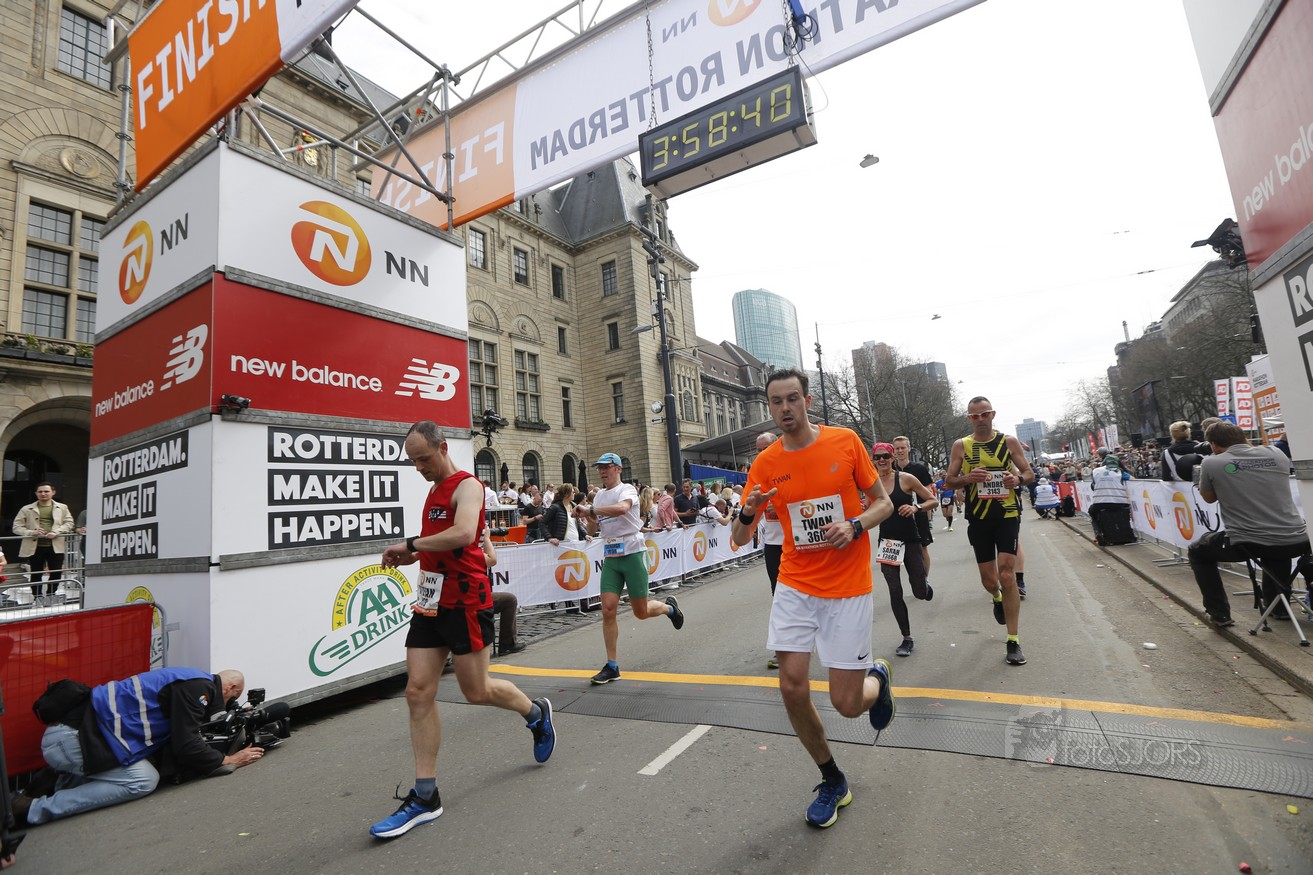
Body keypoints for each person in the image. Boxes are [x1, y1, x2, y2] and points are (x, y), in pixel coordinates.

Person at [371, 420, 555, 840]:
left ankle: (535, 713)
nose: (418, 467)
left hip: (466, 602)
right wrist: (416, 558)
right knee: (417, 691)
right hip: (430, 601)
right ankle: (425, 796)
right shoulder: (433, 489)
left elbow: (463, 534)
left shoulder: (467, 485)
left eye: (423, 458)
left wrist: (411, 545)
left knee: (477, 690)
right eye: (412, 461)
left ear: (442, 448)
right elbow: (442, 544)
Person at [731, 369, 896, 829]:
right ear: (769, 407)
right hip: (795, 583)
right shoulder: (765, 463)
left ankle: (878, 680)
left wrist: (855, 525)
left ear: (807, 401)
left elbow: (882, 502)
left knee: (847, 704)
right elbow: (738, 537)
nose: (785, 408)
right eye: (776, 401)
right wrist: (748, 509)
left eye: (792, 399)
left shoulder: (845, 442)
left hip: (847, 588)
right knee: (791, 686)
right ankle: (832, 778)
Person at [13, 668, 263, 826]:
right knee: (143, 779)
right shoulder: (200, 689)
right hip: (71, 740)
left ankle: (50, 784)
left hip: (70, 736)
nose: (229, 702)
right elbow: (186, 743)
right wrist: (226, 760)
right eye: (233, 697)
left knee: (131, 768)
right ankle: (34, 810)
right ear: (230, 687)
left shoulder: (188, 677)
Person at [1188, 421, 1310, 627]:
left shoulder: (1211, 463)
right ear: (1244, 438)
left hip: (1247, 542)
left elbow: (1208, 498)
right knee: (1277, 548)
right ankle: (1278, 608)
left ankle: (1219, 613)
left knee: (1197, 551)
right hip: (1297, 539)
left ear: (1214, 445)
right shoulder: (1276, 454)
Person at [944, 396, 1034, 667]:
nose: (980, 419)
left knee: (1006, 574)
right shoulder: (961, 445)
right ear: (969, 418)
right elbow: (949, 480)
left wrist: (1017, 479)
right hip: (979, 518)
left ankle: (1013, 640)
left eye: (984, 414)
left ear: (993, 414)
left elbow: (1029, 473)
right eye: (975, 416)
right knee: (989, 581)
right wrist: (967, 479)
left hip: (1007, 514)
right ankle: (996, 598)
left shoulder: (1008, 442)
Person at [580, 453, 684, 684]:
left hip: (633, 553)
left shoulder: (626, 489)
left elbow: (621, 509)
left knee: (641, 612)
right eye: (599, 468)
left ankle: (669, 609)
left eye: (607, 467)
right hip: (611, 556)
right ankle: (612, 666)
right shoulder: (599, 496)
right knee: (608, 610)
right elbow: (594, 525)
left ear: (618, 469)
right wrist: (587, 521)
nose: (602, 471)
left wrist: (592, 511)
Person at [871, 443, 936, 658]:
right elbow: (866, 509)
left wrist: (916, 507)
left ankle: (924, 587)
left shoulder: (906, 479)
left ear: (892, 458)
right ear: (873, 460)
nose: (882, 460)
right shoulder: (870, 483)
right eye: (877, 457)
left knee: (919, 592)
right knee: (894, 590)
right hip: (888, 542)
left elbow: (932, 500)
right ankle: (906, 637)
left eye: (885, 456)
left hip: (910, 540)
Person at [754, 432, 786, 670]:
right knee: (779, 596)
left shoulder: (791, 467)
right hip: (773, 544)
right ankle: (782, 648)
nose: (762, 453)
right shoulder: (757, 475)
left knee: (810, 594)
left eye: (766, 448)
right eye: (758, 450)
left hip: (798, 543)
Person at [12, 482, 75, 602]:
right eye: (40, 491)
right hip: (35, 547)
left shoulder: (62, 507)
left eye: (46, 491)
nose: (43, 494)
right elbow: (16, 527)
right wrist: (32, 532)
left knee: (56, 572)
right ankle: (38, 598)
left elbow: (69, 523)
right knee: (36, 573)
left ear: (53, 492)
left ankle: (51, 595)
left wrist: (56, 532)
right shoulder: (26, 509)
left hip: (55, 546)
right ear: (36, 493)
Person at [892, 437, 935, 578]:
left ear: (909, 448)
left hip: (917, 513)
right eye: (897, 448)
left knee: (922, 549)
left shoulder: (919, 469)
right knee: (896, 550)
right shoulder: (890, 469)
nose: (900, 451)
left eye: (903, 448)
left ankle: (924, 580)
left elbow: (928, 492)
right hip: (895, 516)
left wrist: (921, 508)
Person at [481, 529, 525, 656]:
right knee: (510, 600)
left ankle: (507, 643)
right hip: (473, 598)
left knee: (508, 599)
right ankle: (507, 643)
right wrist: (486, 538)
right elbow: (492, 560)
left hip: (461, 597)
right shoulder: (467, 549)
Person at [1088, 454, 1131, 545]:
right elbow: (1133, 479)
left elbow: (1093, 486)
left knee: (1092, 512)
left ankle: (1098, 533)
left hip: (1100, 503)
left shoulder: (1096, 471)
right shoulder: (1120, 471)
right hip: (1120, 502)